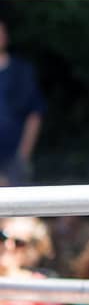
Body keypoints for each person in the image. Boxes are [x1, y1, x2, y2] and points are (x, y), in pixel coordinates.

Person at [0, 19, 44, 186]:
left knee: (16, 210)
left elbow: (35, 114)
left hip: (13, 159)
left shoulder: (22, 71)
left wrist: (23, 156)